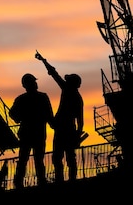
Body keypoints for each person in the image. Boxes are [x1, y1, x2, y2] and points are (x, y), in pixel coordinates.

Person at [35, 51, 84, 183]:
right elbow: (80, 121)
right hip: (67, 129)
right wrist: (78, 134)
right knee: (67, 157)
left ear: (72, 83)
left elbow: (54, 74)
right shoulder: (76, 96)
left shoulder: (69, 91)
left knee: (60, 157)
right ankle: (68, 179)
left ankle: (61, 180)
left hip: (63, 129)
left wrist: (44, 61)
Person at [8, 73, 54, 188]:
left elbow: (12, 114)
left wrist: (19, 119)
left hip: (28, 133)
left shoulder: (21, 99)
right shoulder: (42, 97)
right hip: (36, 133)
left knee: (26, 159)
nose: (35, 83)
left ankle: (19, 182)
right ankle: (39, 181)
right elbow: (49, 116)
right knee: (35, 159)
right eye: (33, 82)